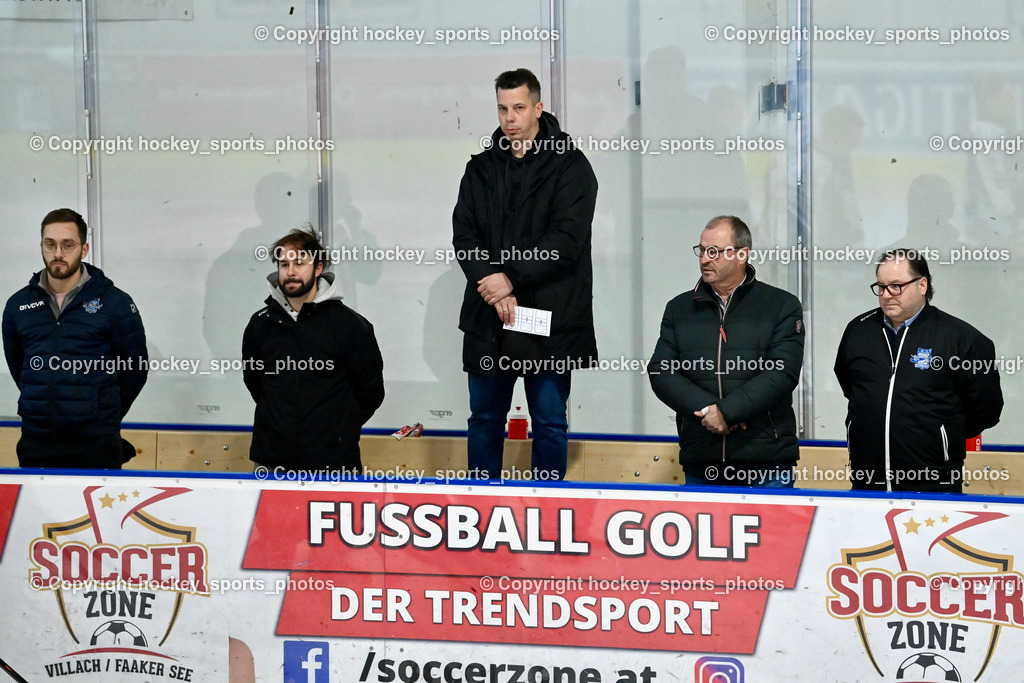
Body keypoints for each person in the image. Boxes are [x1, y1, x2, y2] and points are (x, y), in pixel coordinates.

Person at [452, 67, 598, 481]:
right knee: (484, 419)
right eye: (502, 109)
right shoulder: (481, 168)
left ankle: (548, 508)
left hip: (549, 319)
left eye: (518, 107)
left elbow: (565, 241)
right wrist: (496, 289)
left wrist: (510, 278)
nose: (509, 117)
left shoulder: (571, 166)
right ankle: (481, 506)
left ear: (538, 107)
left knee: (549, 423)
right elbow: (465, 235)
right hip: (490, 316)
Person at [649, 216, 804, 487]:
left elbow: (781, 373)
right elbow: (661, 372)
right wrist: (712, 411)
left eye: (714, 251)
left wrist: (728, 412)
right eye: (701, 250)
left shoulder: (781, 305)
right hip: (702, 462)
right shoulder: (679, 309)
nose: (704, 259)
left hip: (766, 464)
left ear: (742, 254)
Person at [835, 249, 1003, 492]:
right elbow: (850, 387)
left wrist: (942, 433)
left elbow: (986, 410)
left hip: (935, 486)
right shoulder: (858, 332)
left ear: (922, 285)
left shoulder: (960, 339)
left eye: (896, 286)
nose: (886, 295)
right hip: (867, 483)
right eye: (881, 287)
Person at [2, 208, 148, 468]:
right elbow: (19, 367)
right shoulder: (18, 305)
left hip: (96, 444)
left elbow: (134, 369)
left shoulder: (115, 303)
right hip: (37, 441)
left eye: (68, 245)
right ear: (42, 246)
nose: (58, 253)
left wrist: (103, 415)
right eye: (50, 244)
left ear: (84, 249)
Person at [242, 226, 384, 474]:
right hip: (272, 462)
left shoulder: (350, 325)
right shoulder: (260, 324)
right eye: (284, 264)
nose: (291, 272)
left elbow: (370, 393)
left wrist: (335, 430)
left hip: (334, 464)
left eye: (299, 263)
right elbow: (254, 383)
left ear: (318, 268)